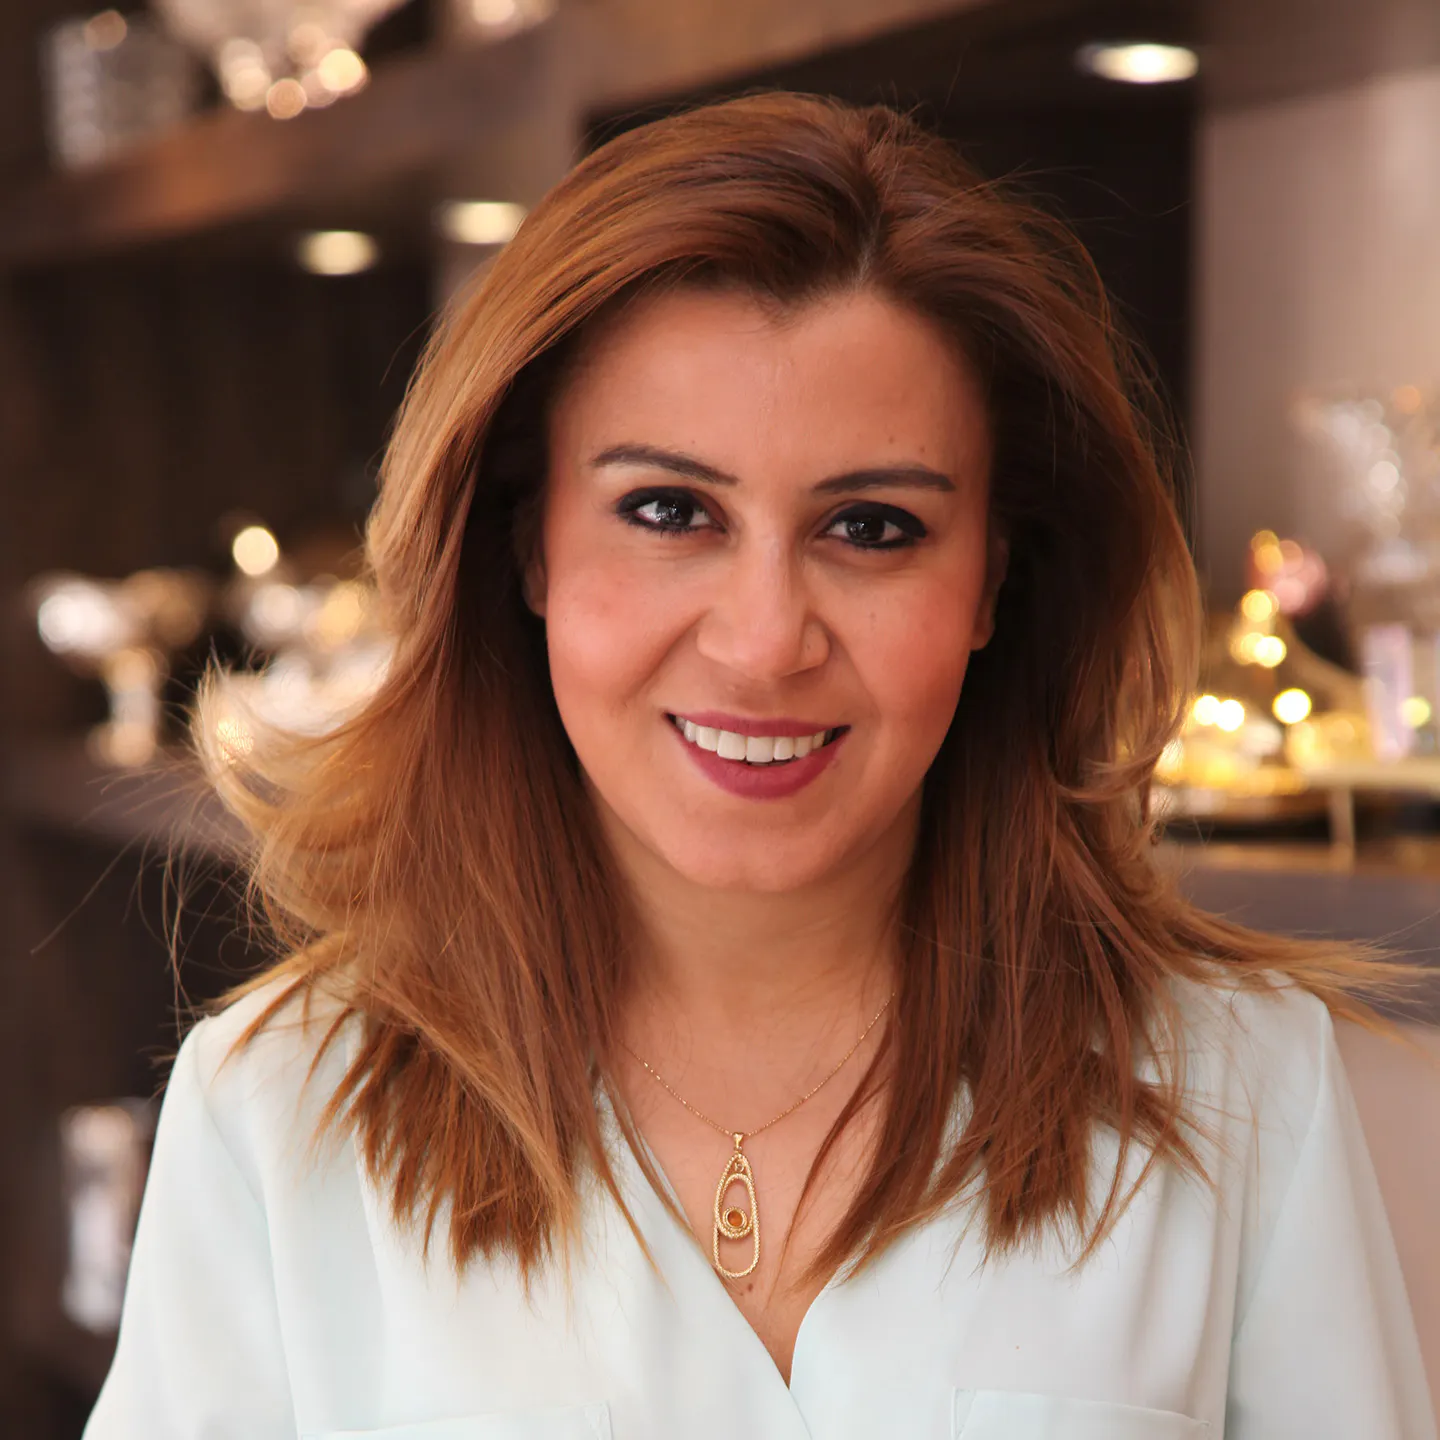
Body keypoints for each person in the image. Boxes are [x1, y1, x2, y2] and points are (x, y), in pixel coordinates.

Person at [86, 93, 1435, 1439]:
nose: (765, 641)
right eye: (669, 510)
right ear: (526, 546)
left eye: (871, 526)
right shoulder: (276, 1112)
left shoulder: (1247, 1091)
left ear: (993, 584)